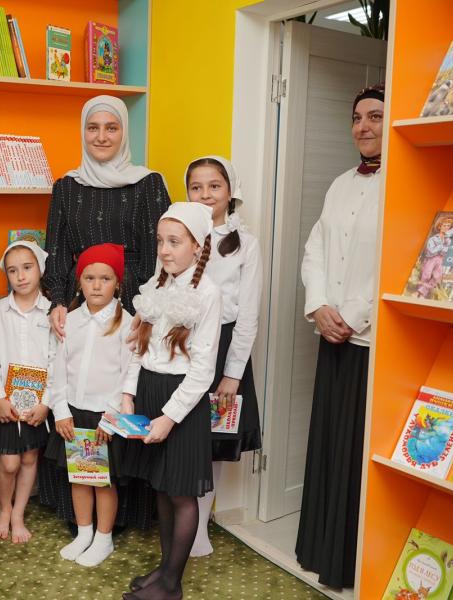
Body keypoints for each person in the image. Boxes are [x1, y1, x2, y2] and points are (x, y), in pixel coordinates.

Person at [41, 94, 170, 529]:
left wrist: (144, 308)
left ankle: (117, 523)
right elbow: (57, 248)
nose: (101, 136)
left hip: (134, 310)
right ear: (83, 132)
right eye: (92, 127)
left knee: (122, 400)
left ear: (124, 132)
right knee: (77, 401)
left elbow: (158, 254)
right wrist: (59, 301)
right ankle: (81, 521)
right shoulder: (66, 186)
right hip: (81, 305)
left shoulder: (149, 183)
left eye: (111, 127)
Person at [295, 83, 384, 589]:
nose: (363, 126)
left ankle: (350, 563)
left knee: (357, 454)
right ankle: (319, 550)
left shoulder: (403, 183)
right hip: (330, 335)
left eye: (375, 116)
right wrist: (320, 305)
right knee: (329, 445)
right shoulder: (338, 184)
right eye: (357, 117)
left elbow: (397, 259)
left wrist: (351, 316)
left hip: (371, 342)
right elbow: (316, 250)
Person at [121, 202, 221, 600]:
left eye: (174, 242)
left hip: (181, 401)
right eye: (161, 240)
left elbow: (203, 371)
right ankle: (164, 571)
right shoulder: (156, 284)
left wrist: (169, 417)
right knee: (161, 488)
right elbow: (139, 347)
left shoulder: (208, 294)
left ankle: (172, 584)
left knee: (181, 492)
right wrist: (128, 394)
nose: (164, 250)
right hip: (150, 390)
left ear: (197, 246)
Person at [182, 156, 263, 558]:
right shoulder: (180, 235)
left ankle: (200, 528)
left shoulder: (245, 244)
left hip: (225, 349)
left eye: (214, 186)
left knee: (212, 440)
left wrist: (232, 373)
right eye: (196, 187)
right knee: (182, 435)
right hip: (183, 343)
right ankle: (180, 522)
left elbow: (247, 315)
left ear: (231, 191)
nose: (205, 194)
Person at [45, 243, 140, 568]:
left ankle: (103, 538)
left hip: (105, 415)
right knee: (80, 477)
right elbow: (57, 369)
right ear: (79, 282)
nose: (97, 286)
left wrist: (111, 417)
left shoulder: (127, 324)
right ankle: (83, 532)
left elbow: (129, 374)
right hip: (74, 412)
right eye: (89, 278)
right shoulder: (68, 321)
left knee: (103, 481)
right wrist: (60, 411)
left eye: (105, 278)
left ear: (118, 283)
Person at [0, 239, 55, 544]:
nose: (21, 276)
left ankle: (18, 514)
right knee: (9, 462)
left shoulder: (52, 311)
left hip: (38, 404)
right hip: (8, 402)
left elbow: (57, 359)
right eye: (13, 270)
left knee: (29, 459)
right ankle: (4, 509)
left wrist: (47, 403)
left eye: (27, 267)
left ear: (40, 268)